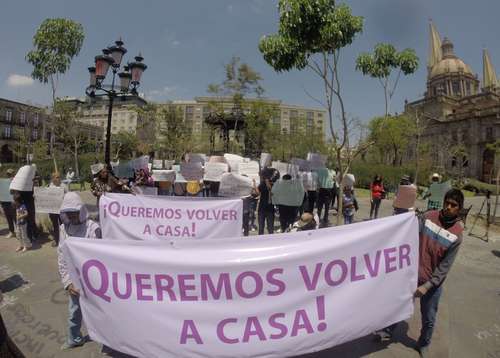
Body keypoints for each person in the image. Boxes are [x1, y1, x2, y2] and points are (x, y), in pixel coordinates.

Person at [375, 189, 464, 358]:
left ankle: (423, 344)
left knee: (429, 318)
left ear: (459, 209)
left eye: (453, 205)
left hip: (432, 284)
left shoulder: (457, 235)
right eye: (447, 203)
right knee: (398, 304)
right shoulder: (429, 217)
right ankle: (387, 331)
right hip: (412, 274)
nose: (448, 207)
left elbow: (444, 268)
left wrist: (427, 286)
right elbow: (408, 231)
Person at [57, 192, 101, 350]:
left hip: (95, 279)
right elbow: (61, 257)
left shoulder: (93, 228)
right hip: (74, 280)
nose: (71, 216)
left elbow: (101, 255)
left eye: (74, 212)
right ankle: (74, 338)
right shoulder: (63, 229)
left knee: (100, 310)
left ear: (81, 211)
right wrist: (67, 282)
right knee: (74, 311)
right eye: (68, 213)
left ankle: (108, 339)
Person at [48, 172, 68, 247]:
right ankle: (57, 240)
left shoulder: (64, 186)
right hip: (53, 210)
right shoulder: (49, 186)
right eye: (56, 177)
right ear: (52, 178)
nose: (58, 179)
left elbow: (68, 195)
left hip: (62, 209)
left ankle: (65, 240)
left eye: (59, 177)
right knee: (55, 226)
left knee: (63, 225)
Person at [1, 169, 16, 239]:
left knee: (15, 217)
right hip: (4, 202)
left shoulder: (16, 181)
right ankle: (11, 232)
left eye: (11, 174)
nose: (9, 175)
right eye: (8, 174)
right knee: (8, 218)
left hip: (12, 202)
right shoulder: (3, 182)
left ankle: (19, 232)